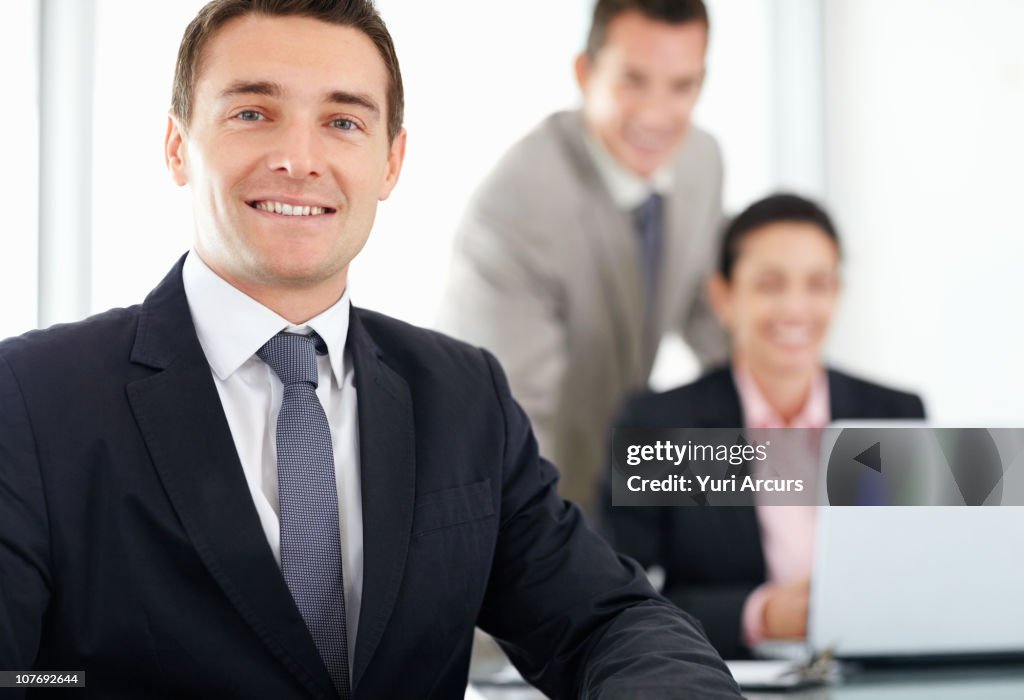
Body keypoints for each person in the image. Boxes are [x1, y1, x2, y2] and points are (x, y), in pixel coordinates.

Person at [0, 1, 743, 697]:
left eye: (343, 123)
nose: (299, 157)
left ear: (391, 163)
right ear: (176, 146)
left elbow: (610, 619)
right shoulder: (33, 400)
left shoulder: (462, 397)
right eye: (253, 113)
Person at [599, 193, 926, 659]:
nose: (796, 308)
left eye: (818, 284)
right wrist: (760, 614)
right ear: (723, 297)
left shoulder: (892, 415)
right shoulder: (662, 427)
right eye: (771, 285)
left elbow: (920, 576)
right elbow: (618, 602)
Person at [437, 0, 728, 514]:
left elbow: (720, 336)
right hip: (527, 496)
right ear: (584, 72)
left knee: (880, 473)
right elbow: (515, 428)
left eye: (683, 86)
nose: (658, 114)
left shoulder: (700, 162)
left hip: (626, 474)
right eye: (633, 80)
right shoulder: (521, 203)